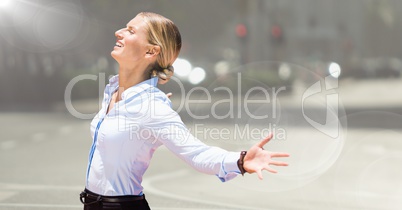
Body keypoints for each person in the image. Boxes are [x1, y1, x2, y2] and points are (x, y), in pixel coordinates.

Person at [79, 12, 290, 210]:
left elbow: (196, 153)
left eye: (131, 31)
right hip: (92, 203)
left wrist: (241, 161)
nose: (119, 32)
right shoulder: (114, 92)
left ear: (151, 51)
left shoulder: (151, 107)